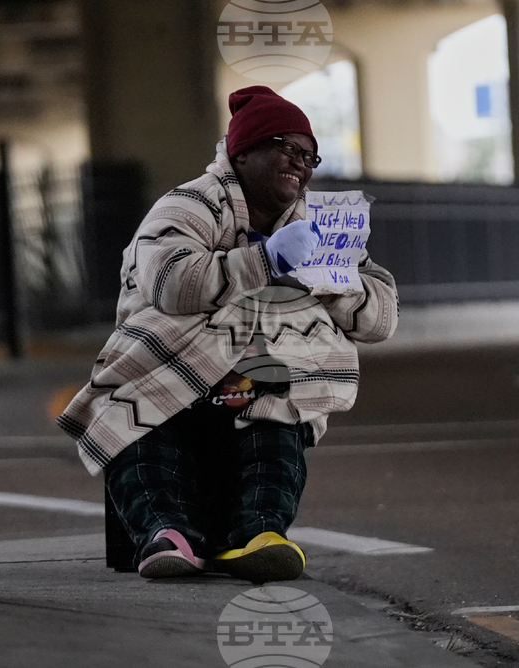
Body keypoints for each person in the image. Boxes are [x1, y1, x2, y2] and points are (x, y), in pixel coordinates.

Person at [58, 85, 399, 582]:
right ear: (244, 151)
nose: (300, 163)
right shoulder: (190, 204)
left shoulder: (319, 225)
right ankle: (165, 535)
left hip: (261, 383)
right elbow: (173, 282)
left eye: (309, 155)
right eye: (287, 147)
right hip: (169, 377)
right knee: (140, 431)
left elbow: (382, 317)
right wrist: (268, 260)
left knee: (277, 433)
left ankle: (260, 536)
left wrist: (327, 280)